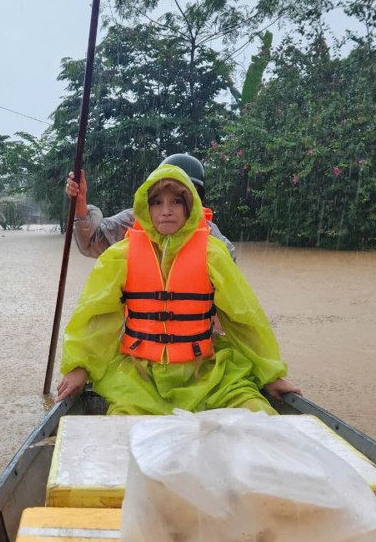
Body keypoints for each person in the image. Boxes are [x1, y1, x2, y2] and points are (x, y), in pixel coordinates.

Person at [56, 162, 300, 415]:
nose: (166, 211)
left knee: (258, 413)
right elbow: (96, 317)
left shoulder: (215, 252)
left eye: (177, 202)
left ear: (191, 205)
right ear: (144, 208)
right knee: (122, 427)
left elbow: (245, 319)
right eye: (157, 203)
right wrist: (80, 367)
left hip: (205, 372)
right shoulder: (119, 255)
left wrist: (270, 374)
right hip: (139, 375)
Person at [66, 153, 237, 261]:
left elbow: (229, 288)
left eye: (179, 199)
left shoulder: (211, 236)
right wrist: (80, 201)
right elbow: (90, 242)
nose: (166, 210)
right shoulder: (132, 221)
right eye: (159, 200)